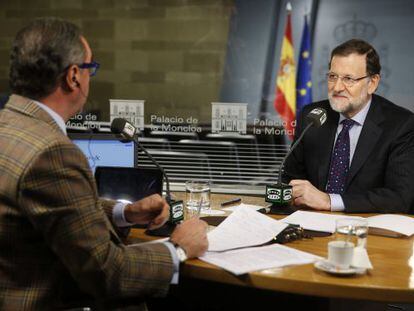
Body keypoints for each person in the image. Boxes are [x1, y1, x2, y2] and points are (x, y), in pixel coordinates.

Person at [0, 18, 208, 310]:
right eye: (90, 69)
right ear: (74, 77)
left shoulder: (9, 126)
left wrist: (126, 212)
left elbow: (49, 211)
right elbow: (107, 273)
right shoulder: (52, 153)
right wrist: (179, 249)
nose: (90, 78)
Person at [283, 38, 414, 214]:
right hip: (312, 222)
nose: (337, 87)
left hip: (367, 229)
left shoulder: (401, 124)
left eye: (348, 79)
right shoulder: (313, 115)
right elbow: (290, 177)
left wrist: (330, 201)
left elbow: (400, 197)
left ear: (372, 83)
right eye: (332, 77)